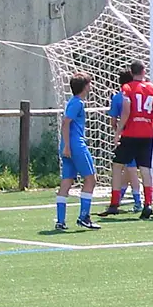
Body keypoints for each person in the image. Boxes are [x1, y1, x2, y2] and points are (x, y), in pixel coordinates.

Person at [102, 60, 153, 219]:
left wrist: (119, 131)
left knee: (117, 166)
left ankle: (114, 203)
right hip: (147, 134)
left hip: (131, 133)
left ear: (131, 71)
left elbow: (127, 109)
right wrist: (152, 124)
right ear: (144, 71)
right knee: (145, 169)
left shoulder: (127, 88)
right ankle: (148, 204)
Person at [55, 72, 100, 230]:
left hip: (69, 145)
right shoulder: (77, 103)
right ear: (84, 87)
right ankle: (84, 217)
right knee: (91, 178)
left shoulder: (73, 101)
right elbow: (66, 123)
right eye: (89, 84)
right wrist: (68, 145)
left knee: (67, 181)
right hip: (76, 145)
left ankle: (60, 221)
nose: (90, 87)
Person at [107, 69, 142, 213]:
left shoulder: (117, 97)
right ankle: (121, 197)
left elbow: (113, 121)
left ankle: (138, 201)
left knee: (129, 169)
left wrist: (117, 130)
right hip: (141, 134)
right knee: (130, 169)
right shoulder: (138, 94)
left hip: (127, 136)